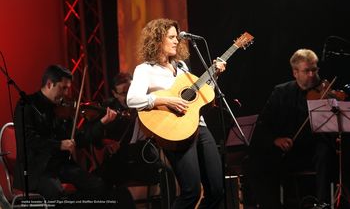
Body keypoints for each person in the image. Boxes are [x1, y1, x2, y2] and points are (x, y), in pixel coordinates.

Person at [126, 18, 226, 209]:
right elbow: (132, 99)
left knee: (216, 189)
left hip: (199, 126)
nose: (176, 41)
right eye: (171, 37)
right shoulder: (145, 70)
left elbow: (201, 96)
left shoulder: (182, 68)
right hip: (175, 132)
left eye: (176, 37)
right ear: (157, 40)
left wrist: (215, 75)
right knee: (191, 192)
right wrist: (166, 100)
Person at [13, 64, 119, 208]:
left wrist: (102, 122)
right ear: (50, 84)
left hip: (61, 166)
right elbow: (28, 140)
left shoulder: (62, 110)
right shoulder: (26, 105)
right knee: (58, 194)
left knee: (98, 186)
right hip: (36, 169)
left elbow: (80, 139)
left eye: (68, 88)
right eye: (63, 88)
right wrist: (59, 145)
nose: (66, 93)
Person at [246, 49, 337, 208]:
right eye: (306, 71)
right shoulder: (281, 92)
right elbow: (263, 124)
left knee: (324, 150)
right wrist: (275, 140)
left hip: (314, 149)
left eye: (314, 70)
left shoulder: (325, 92)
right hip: (289, 149)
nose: (311, 75)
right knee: (255, 162)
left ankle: (322, 203)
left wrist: (332, 102)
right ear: (295, 72)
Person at [88, 72, 176, 208]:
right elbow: (94, 137)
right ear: (114, 93)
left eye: (130, 90)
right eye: (123, 93)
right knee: (99, 183)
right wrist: (106, 142)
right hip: (118, 162)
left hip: (141, 160)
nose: (128, 96)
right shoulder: (107, 108)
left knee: (166, 173)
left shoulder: (143, 104)